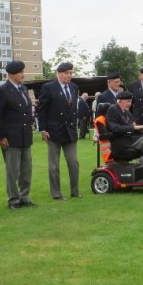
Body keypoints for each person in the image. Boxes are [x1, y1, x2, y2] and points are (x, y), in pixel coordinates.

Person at [0, 60, 36, 210]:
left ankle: (25, 196)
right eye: (20, 72)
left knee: (26, 168)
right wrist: (1, 136)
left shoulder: (23, 89)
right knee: (13, 170)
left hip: (25, 135)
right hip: (10, 137)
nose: (23, 75)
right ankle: (13, 199)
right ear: (11, 74)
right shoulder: (2, 91)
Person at [36, 62, 80, 200]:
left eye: (71, 73)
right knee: (54, 165)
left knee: (73, 163)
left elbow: (73, 109)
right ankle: (56, 193)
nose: (69, 76)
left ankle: (75, 191)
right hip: (53, 131)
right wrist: (43, 129)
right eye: (67, 73)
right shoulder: (48, 87)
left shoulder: (74, 87)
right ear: (59, 74)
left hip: (70, 131)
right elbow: (42, 110)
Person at [104, 90, 143, 179]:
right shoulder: (113, 109)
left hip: (130, 139)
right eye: (127, 101)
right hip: (120, 142)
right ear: (119, 101)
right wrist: (134, 128)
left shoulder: (127, 112)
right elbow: (115, 128)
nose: (130, 104)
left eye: (131, 101)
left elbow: (134, 126)